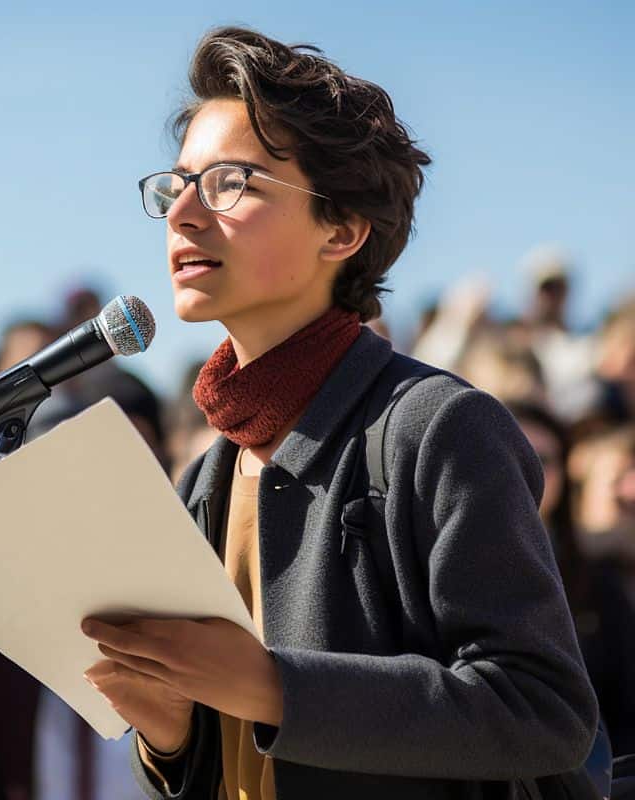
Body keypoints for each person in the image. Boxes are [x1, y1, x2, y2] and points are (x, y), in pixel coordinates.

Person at [80, 27, 597, 799]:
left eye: (231, 182)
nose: (182, 214)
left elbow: (544, 711)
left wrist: (271, 687)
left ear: (343, 229)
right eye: (175, 185)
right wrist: (169, 735)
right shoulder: (206, 475)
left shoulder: (439, 429)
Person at [508, 402, 635, 756]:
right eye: (510, 452)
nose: (527, 470)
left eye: (544, 459)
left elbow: (626, 712)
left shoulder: (597, 584)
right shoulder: (434, 569)